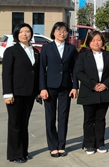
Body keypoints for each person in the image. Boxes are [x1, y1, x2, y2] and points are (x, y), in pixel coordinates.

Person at [74, 31, 109, 155]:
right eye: (93, 40)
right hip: (89, 91)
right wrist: (93, 85)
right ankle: (89, 144)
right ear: (89, 42)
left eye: (98, 40)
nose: (96, 42)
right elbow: (79, 72)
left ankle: (100, 143)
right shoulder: (83, 56)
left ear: (102, 41)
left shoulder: (108, 55)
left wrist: (105, 84)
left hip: (104, 91)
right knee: (89, 119)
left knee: (100, 119)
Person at [2, 23, 40, 164]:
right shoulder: (11, 51)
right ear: (16, 34)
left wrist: (37, 91)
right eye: (21, 32)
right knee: (15, 124)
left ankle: (24, 151)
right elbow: (6, 74)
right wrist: (7, 94)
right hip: (15, 93)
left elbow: (36, 73)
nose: (25, 34)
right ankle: (15, 154)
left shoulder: (35, 51)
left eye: (27, 31)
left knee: (24, 123)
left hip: (29, 93)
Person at [39, 22, 78, 157]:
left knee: (63, 116)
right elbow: (41, 69)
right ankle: (52, 146)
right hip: (50, 87)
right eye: (59, 31)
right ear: (53, 33)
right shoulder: (46, 48)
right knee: (50, 117)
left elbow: (75, 70)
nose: (62, 33)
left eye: (64, 31)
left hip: (66, 87)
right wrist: (42, 88)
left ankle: (61, 145)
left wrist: (75, 87)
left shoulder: (71, 49)